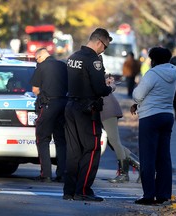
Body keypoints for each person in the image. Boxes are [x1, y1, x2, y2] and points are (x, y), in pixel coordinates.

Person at [63, 28, 115, 202]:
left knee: (73, 150)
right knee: (92, 149)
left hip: (70, 106)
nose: (104, 50)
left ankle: (69, 190)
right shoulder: (94, 60)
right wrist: (110, 87)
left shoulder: (73, 57)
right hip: (87, 109)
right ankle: (83, 189)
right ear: (100, 42)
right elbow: (99, 89)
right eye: (105, 47)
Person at [130, 47, 176, 205]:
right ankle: (164, 194)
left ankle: (149, 195)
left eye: (151, 59)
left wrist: (138, 100)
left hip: (150, 117)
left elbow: (138, 95)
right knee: (164, 157)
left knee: (148, 157)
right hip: (167, 116)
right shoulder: (174, 71)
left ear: (154, 60)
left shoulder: (152, 74)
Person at [30, 47, 68, 183]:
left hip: (48, 105)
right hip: (64, 104)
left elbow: (35, 89)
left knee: (43, 139)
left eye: (36, 59)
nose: (37, 62)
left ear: (41, 57)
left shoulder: (41, 67)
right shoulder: (63, 65)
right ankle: (62, 173)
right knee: (61, 140)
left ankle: (45, 174)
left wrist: (41, 96)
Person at [100, 90, 140, 183]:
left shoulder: (92, 76)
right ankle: (140, 167)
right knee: (112, 142)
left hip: (107, 110)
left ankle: (123, 174)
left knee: (114, 141)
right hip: (105, 109)